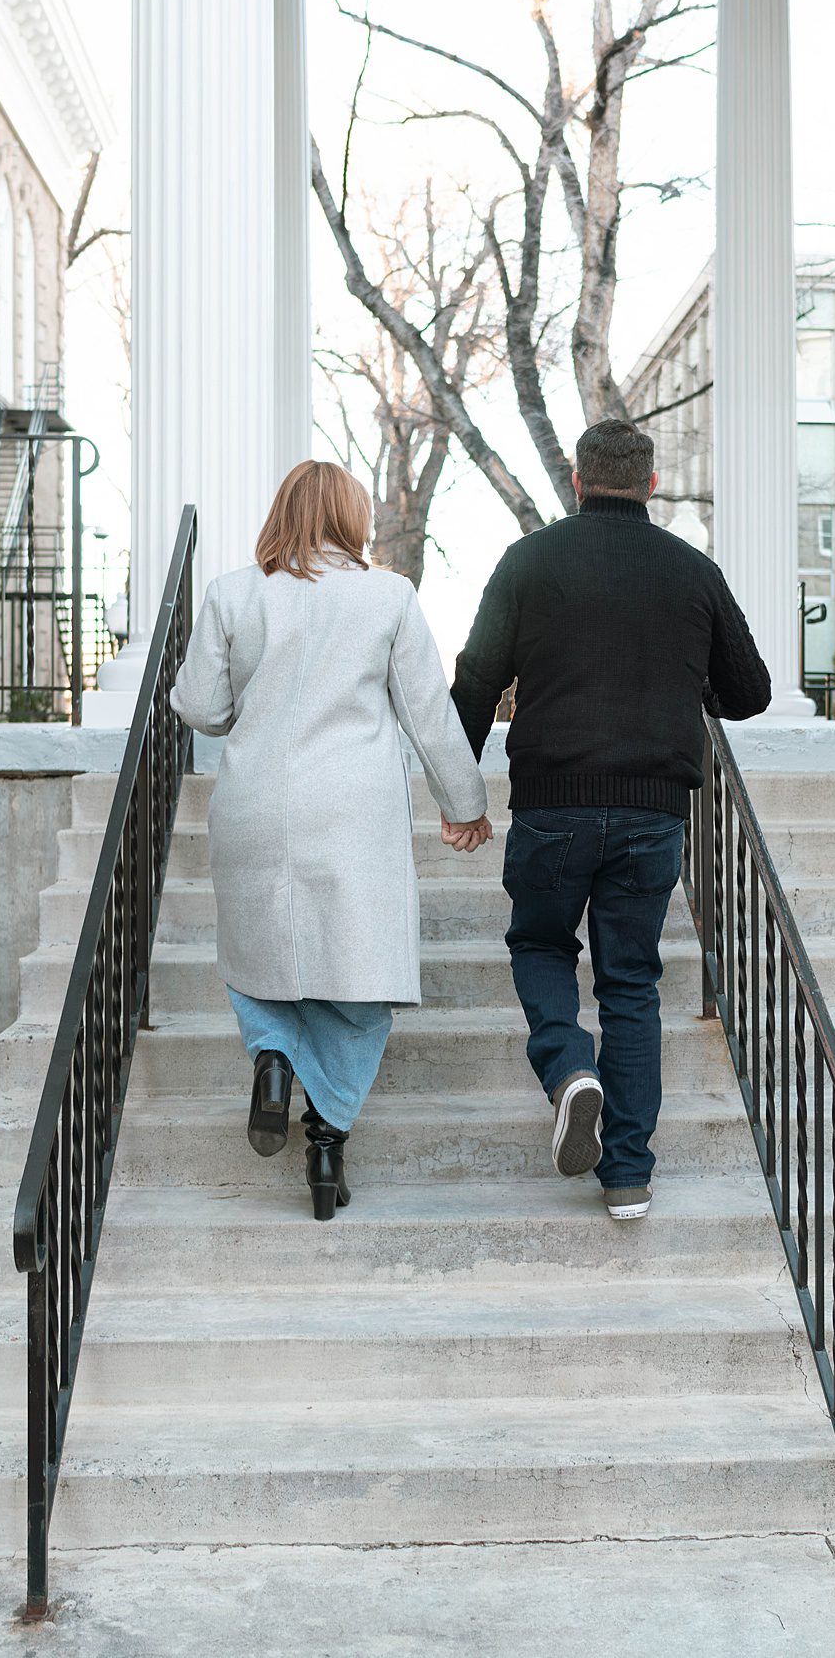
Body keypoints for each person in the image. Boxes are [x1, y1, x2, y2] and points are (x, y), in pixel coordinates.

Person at [451, 419, 771, 1221]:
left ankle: (568, 1069)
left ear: (577, 478)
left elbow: (475, 684)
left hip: (553, 807)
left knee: (539, 943)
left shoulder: (526, 563)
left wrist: (458, 792)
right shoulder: (692, 572)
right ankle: (628, 1173)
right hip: (652, 812)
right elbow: (750, 691)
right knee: (631, 982)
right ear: (652, 482)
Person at [171, 460, 492, 1221]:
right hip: (353, 813)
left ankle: (274, 1059)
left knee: (256, 963)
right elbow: (427, 713)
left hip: (255, 803)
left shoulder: (230, 592)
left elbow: (198, 706)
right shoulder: (387, 596)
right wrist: (465, 801)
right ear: (353, 518)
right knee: (362, 983)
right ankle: (327, 1134)